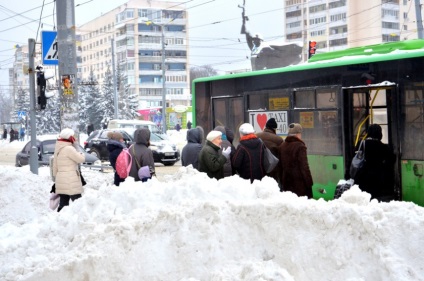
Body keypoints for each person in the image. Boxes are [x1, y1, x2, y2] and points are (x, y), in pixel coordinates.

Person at [353, 124, 395, 201]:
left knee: (364, 197)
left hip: (363, 175)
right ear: (380, 133)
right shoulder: (383, 147)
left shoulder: (362, 144)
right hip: (378, 177)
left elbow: (355, 156)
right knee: (376, 199)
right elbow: (391, 159)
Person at [52, 128, 86, 212]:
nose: (75, 138)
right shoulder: (69, 149)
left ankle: (59, 221)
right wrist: (77, 147)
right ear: (70, 137)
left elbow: (55, 166)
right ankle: (81, 221)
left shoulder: (58, 147)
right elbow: (81, 159)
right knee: (78, 203)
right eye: (73, 136)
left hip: (61, 180)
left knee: (63, 204)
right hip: (70, 180)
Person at [278, 123, 313, 198]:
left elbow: (280, 166)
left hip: (286, 183)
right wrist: (309, 182)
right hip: (299, 184)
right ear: (297, 134)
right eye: (300, 133)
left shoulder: (282, 146)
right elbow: (304, 167)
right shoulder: (300, 147)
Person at [256, 118, 284, 186]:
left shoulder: (256, 136)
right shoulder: (279, 140)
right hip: (273, 170)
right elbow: (281, 156)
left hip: (259, 168)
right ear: (274, 129)